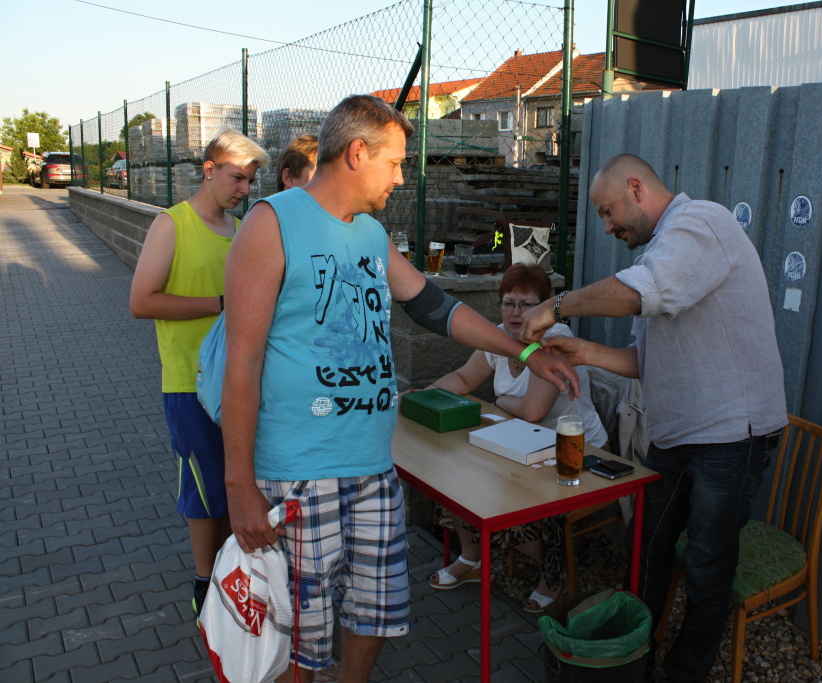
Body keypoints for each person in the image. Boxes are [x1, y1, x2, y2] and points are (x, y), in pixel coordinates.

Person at [221, 94, 579, 683]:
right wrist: (239, 486)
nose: (401, 178)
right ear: (357, 153)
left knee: (375, 607)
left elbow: (433, 305)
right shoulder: (271, 223)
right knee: (298, 629)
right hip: (298, 471)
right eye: (395, 163)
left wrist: (524, 351)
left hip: (372, 465)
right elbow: (242, 362)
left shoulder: (368, 232)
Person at [520, 153, 787, 683]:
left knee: (707, 565)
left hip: (731, 435)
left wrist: (556, 306)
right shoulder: (663, 252)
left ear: (637, 188)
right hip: (679, 434)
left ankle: (683, 673)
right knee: (647, 543)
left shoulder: (699, 223)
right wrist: (586, 352)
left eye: (607, 211)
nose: (606, 226)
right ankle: (633, 657)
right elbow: (647, 361)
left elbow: (633, 293)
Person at [128, 129, 270, 620]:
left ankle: (237, 575)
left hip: (241, 382)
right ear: (209, 170)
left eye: (250, 181)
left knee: (239, 482)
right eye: (237, 178)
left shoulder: (242, 230)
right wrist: (223, 304)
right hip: (189, 385)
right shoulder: (171, 224)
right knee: (203, 488)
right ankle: (205, 581)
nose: (244, 189)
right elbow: (141, 301)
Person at [424, 263, 607, 613]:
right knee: (455, 477)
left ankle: (553, 574)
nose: (516, 313)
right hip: (522, 444)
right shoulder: (498, 338)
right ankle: (472, 559)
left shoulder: (554, 339)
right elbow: (464, 378)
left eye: (527, 305)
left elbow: (532, 410)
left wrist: (503, 402)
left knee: (505, 498)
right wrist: (422, 395)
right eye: (509, 303)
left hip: (575, 454)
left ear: (544, 308)